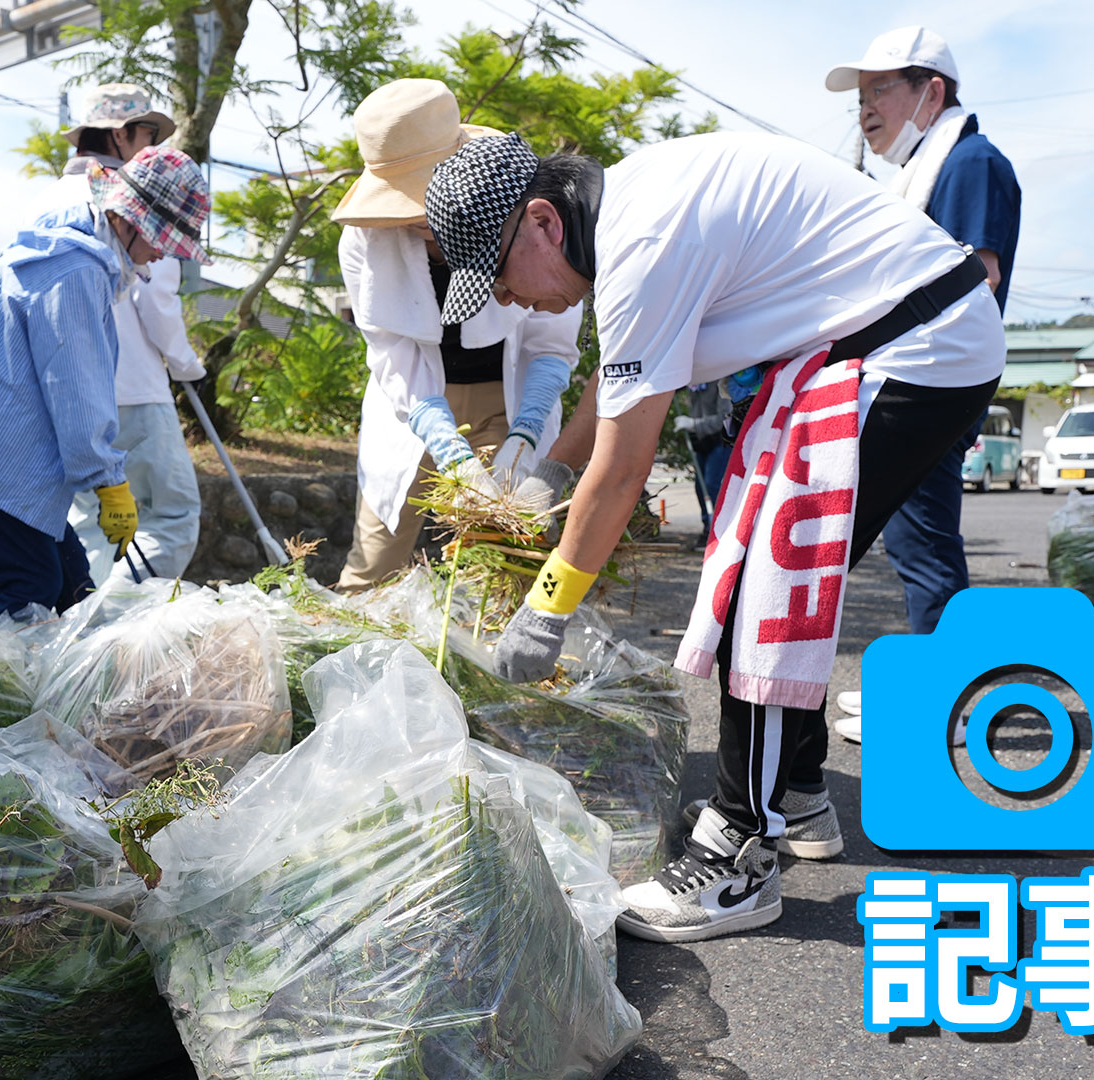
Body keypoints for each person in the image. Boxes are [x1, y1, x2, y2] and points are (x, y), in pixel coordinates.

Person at [425, 131, 1004, 941]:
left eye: (499, 276)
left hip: (917, 347)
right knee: (763, 573)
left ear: (544, 223)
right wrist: (550, 469)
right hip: (881, 338)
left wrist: (547, 606)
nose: (509, 302)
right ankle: (795, 790)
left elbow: (623, 470)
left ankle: (740, 855)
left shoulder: (643, 243)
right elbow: (620, 385)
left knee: (767, 587)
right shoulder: (627, 217)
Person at [0, 146, 210, 621]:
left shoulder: (74, 240)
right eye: (161, 240)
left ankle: (67, 668)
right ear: (128, 221)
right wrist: (109, 484)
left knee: (74, 583)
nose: (160, 255)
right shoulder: (76, 270)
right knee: (33, 584)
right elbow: (76, 390)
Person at [825, 26, 1021, 740]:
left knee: (926, 548)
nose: (865, 109)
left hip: (930, 390)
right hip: (922, 385)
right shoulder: (934, 164)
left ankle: (942, 707)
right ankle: (927, 685)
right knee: (915, 545)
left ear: (931, 91)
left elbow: (978, 277)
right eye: (860, 96)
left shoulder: (970, 161)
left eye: (880, 89)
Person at [330, 78, 581, 592]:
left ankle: (504, 647)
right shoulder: (363, 239)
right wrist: (449, 448)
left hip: (504, 399)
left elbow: (550, 336)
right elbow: (390, 350)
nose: (423, 222)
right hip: (412, 407)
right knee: (375, 559)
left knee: (507, 557)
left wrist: (526, 430)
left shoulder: (519, 208)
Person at [37, 85, 210, 586]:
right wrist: (187, 365)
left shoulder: (46, 199)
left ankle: (86, 616)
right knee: (171, 517)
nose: (151, 146)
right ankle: (109, 619)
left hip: (66, 395)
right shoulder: (133, 203)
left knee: (89, 525)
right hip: (135, 387)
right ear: (120, 134)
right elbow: (157, 300)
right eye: (148, 133)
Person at [675, 381, 732, 546]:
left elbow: (724, 417)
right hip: (701, 441)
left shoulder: (720, 382)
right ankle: (707, 527)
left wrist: (695, 424)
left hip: (720, 441)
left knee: (711, 484)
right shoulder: (695, 381)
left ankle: (718, 529)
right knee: (700, 487)